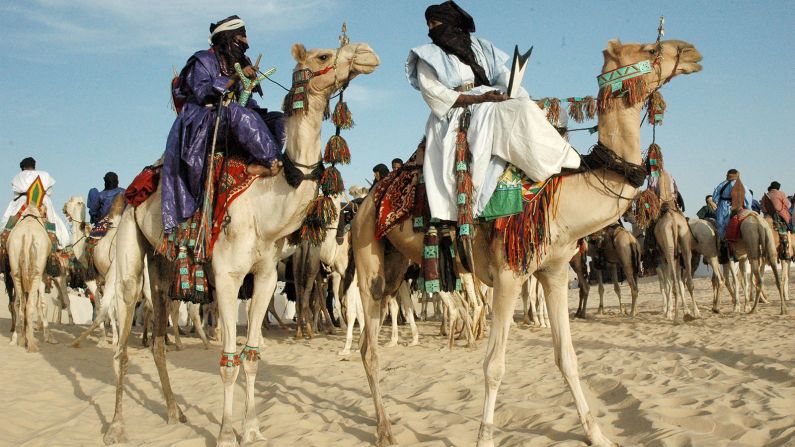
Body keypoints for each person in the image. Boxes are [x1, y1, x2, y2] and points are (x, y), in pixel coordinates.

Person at [406, 1, 579, 221]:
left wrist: (518, 94)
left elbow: (504, 77)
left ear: (451, 23)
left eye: (435, 22)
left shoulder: (480, 47)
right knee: (510, 113)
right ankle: (547, 166)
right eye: (429, 24)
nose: (431, 29)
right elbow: (435, 95)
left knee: (540, 111)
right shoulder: (427, 56)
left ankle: (560, 161)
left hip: (492, 98)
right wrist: (481, 98)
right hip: (456, 110)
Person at [161, 15, 285, 232]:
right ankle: (271, 162)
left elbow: (247, 104)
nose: (246, 46)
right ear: (226, 40)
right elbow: (202, 92)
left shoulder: (235, 64)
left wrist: (248, 93)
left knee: (280, 120)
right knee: (237, 112)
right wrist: (235, 79)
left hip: (233, 117)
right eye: (240, 41)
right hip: (202, 121)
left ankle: (266, 161)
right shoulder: (202, 60)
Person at [1, 157, 69, 247]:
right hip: (41, 201)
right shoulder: (44, 175)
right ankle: (57, 242)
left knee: (7, 220)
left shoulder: (18, 176)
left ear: (23, 168)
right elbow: (49, 192)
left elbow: (16, 194)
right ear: (34, 166)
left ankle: (3, 240)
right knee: (53, 220)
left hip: (22, 203)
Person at [760, 181, 791, 257]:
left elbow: (762, 207)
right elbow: (788, 205)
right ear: (778, 188)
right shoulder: (781, 193)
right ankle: (785, 250)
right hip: (779, 216)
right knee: (784, 229)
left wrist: (766, 212)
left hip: (768, 216)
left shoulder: (766, 195)